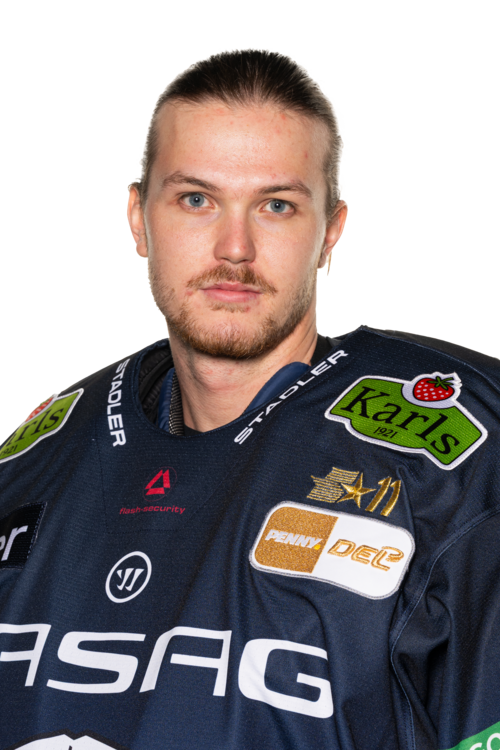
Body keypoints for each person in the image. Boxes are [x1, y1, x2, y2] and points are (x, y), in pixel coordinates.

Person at [0, 48, 498, 750]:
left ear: (331, 231)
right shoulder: (32, 461)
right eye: (196, 200)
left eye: (276, 205)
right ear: (138, 218)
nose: (234, 248)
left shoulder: (460, 458)